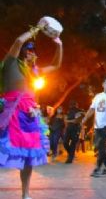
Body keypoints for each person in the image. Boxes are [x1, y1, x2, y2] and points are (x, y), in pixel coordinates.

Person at [1, 26, 63, 199]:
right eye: (28, 50)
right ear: (21, 52)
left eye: (33, 50)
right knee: (2, 149)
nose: (31, 52)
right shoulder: (10, 63)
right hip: (10, 113)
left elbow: (56, 64)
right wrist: (39, 28)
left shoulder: (35, 72)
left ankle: (25, 194)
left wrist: (58, 43)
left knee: (29, 156)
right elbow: (19, 41)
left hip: (30, 115)